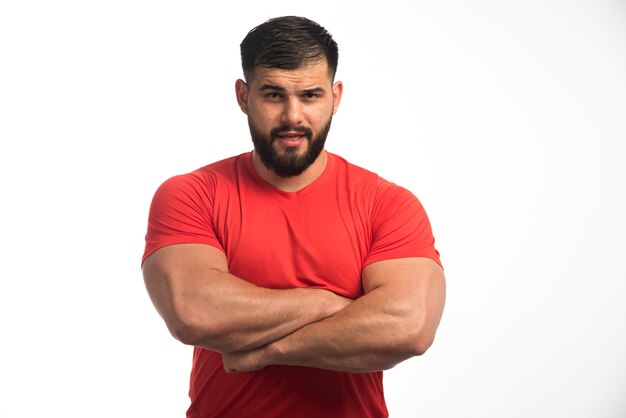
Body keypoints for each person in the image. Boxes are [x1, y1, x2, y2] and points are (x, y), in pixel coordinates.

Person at [141, 15, 446, 418]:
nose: (292, 116)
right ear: (242, 96)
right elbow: (194, 312)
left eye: (310, 96)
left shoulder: (387, 204)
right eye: (273, 95)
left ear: (335, 97)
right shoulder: (192, 195)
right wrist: (328, 303)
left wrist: (266, 351)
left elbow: (408, 327)